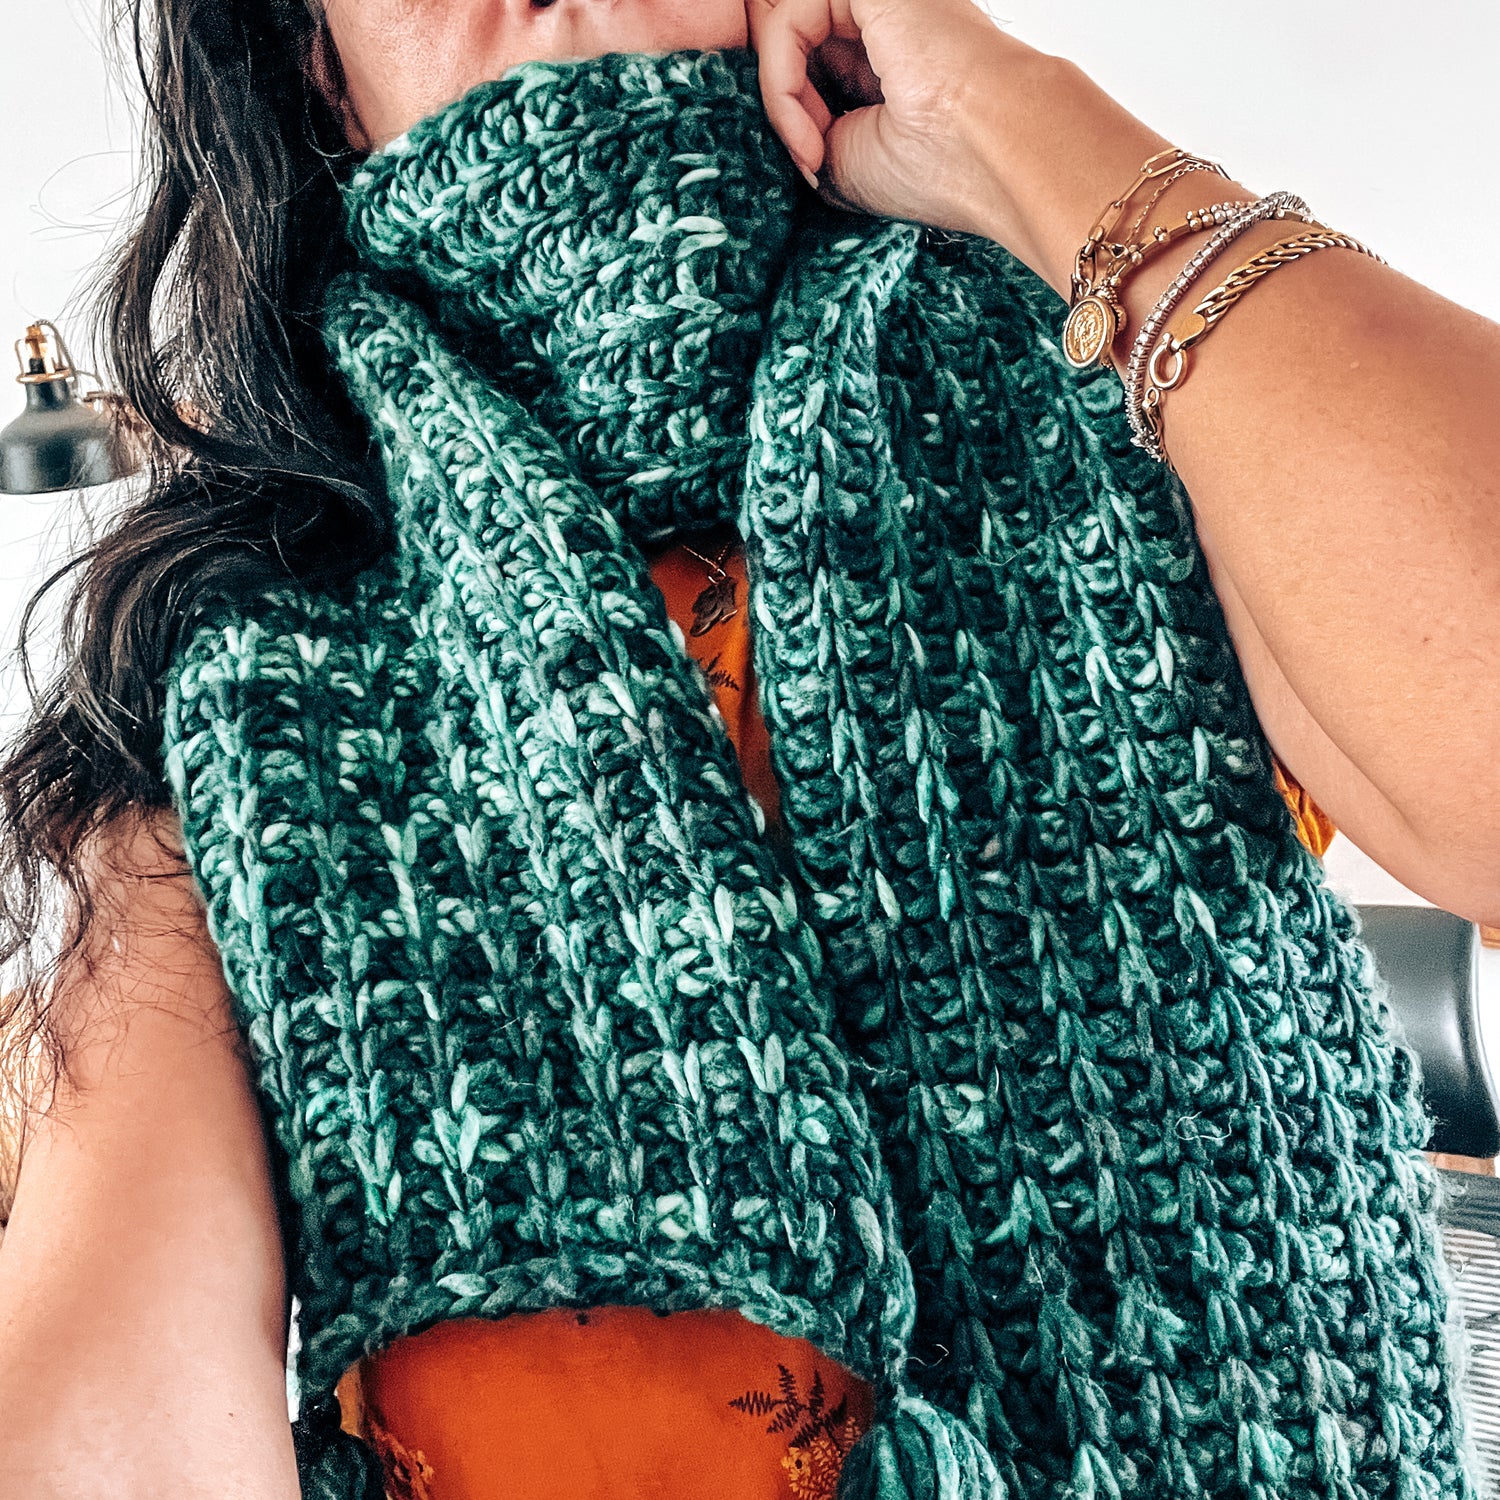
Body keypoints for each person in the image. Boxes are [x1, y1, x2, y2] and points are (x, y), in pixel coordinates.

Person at [0, 1, 1495, 1497]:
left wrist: (1014, 120)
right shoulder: (239, 691)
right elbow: (106, 1428)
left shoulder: (1141, 410)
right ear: (322, 74)